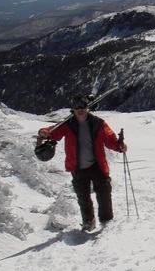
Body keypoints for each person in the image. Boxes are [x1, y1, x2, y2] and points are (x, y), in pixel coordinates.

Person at [37, 93, 127, 231]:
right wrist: (44, 132)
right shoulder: (68, 125)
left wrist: (119, 146)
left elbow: (110, 139)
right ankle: (88, 222)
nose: (80, 109)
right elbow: (53, 132)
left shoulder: (98, 124)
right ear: (73, 109)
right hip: (77, 167)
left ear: (87, 107)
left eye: (83, 106)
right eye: (77, 106)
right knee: (83, 197)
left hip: (97, 165)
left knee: (104, 193)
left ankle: (106, 221)